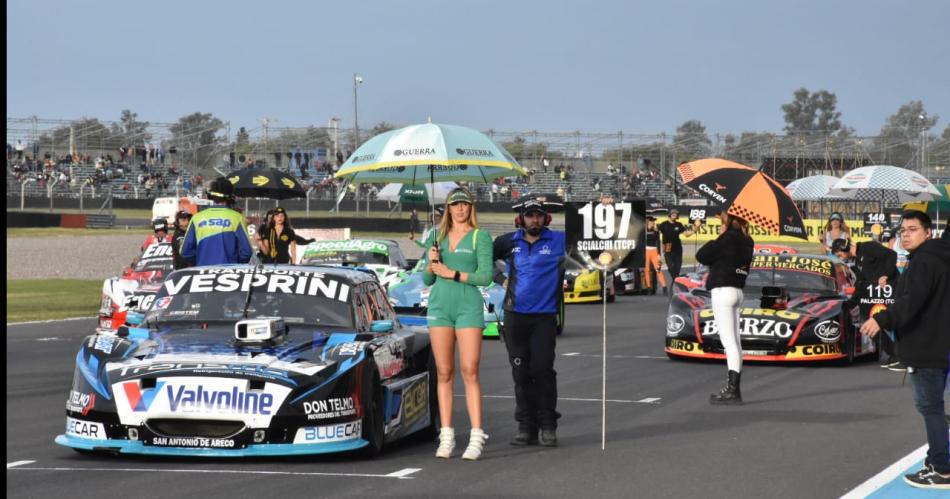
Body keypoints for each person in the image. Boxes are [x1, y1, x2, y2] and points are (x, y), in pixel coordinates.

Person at [859, 211, 950, 490]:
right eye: (903, 231)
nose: (906, 235)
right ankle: (937, 458)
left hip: (926, 345)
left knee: (930, 406)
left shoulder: (924, 261)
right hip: (938, 343)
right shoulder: (936, 258)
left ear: (928, 233)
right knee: (932, 405)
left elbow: (911, 302)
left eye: (913, 229)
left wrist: (881, 318)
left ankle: (942, 469)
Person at [422, 188, 494, 460]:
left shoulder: (480, 236)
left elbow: (485, 276)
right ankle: (447, 435)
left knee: (470, 370)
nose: (460, 209)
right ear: (448, 209)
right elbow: (427, 280)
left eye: (464, 204)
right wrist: (431, 264)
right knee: (443, 371)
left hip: (468, 307)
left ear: (470, 207)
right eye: (455, 205)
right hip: (439, 307)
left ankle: (476, 435)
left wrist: (453, 273)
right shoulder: (435, 237)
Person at [493, 199, 565, 447]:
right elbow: (484, 259)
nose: (534, 220)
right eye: (529, 215)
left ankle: (548, 424)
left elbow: (592, 241)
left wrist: (605, 207)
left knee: (543, 370)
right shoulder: (508, 241)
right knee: (520, 373)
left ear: (546, 218)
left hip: (544, 317)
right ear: (521, 218)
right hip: (514, 316)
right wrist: (500, 278)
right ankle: (526, 425)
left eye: (538, 216)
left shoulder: (559, 240)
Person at [695, 211, 754, 405]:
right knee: (735, 342)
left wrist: (719, 236)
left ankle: (732, 390)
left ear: (727, 221)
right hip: (737, 290)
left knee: (729, 342)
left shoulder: (727, 238)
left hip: (723, 289)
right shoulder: (748, 241)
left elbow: (701, 255)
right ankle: (733, 389)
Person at [831, 236, 899, 368]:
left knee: (895, 323)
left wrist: (886, 275)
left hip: (892, 290)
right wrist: (850, 304)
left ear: (844, 248)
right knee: (868, 325)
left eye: (840, 254)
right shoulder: (857, 263)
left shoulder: (868, 247)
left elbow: (892, 254)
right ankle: (894, 353)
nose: (841, 258)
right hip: (875, 296)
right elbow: (860, 284)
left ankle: (903, 355)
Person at [180, 177, 253, 266]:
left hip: (202, 274)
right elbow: (247, 251)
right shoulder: (237, 218)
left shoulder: (197, 218)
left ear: (211, 196)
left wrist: (200, 260)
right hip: (230, 273)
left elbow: (184, 251)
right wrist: (236, 263)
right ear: (231, 197)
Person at [657, 209, 698, 293]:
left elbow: (686, 234)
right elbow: (655, 231)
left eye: (676, 214)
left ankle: (674, 285)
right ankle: (677, 282)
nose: (674, 215)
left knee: (677, 268)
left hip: (678, 248)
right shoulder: (663, 224)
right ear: (670, 215)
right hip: (667, 247)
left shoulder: (679, 224)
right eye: (673, 214)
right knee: (671, 268)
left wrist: (695, 228)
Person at [643, 215, 667, 295]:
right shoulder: (643, 231)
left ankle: (664, 288)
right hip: (646, 251)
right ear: (648, 221)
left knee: (658, 269)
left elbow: (658, 243)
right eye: (652, 221)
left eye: (654, 221)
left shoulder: (656, 231)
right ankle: (649, 288)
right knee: (646, 270)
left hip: (654, 251)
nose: (653, 222)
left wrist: (659, 254)